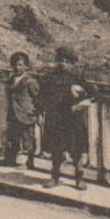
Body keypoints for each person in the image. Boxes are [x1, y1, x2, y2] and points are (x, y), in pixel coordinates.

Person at [38, 47, 95, 190]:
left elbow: (94, 94)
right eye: (60, 61)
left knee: (76, 150)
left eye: (66, 61)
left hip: (73, 119)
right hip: (55, 118)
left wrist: (82, 102)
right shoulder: (49, 78)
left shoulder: (77, 78)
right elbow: (41, 97)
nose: (63, 64)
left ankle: (79, 178)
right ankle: (55, 177)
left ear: (72, 63)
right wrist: (40, 112)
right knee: (56, 149)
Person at [3, 51, 41, 171]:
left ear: (26, 67)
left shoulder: (30, 81)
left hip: (26, 114)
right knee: (13, 137)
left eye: (20, 65)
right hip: (13, 113)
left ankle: (28, 162)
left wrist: (37, 113)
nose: (17, 67)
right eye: (15, 65)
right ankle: (10, 159)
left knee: (27, 139)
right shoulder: (11, 80)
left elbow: (37, 98)